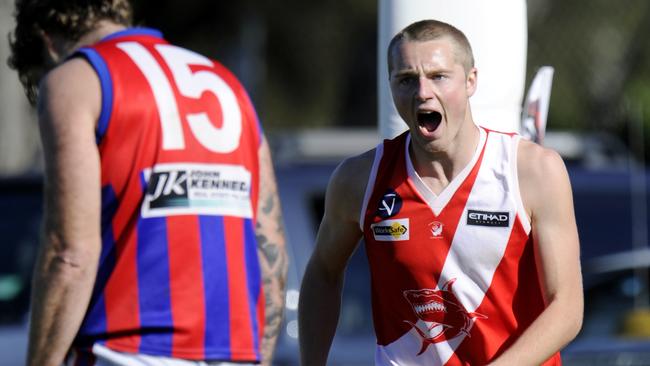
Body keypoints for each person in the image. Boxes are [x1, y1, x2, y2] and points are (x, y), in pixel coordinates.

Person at [7, 1, 288, 365]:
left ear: (47, 42)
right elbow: (270, 251)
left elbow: (69, 254)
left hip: (125, 350)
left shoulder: (76, 80)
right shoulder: (228, 85)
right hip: (234, 352)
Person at [298, 19, 583, 365]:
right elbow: (322, 273)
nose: (422, 92)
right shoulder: (360, 179)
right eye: (406, 79)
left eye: (438, 76)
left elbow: (567, 307)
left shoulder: (531, 170)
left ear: (470, 81)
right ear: (390, 86)